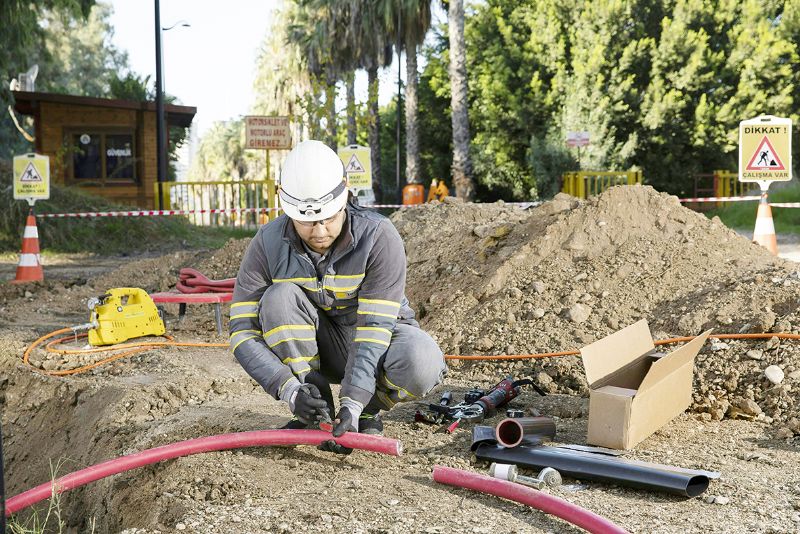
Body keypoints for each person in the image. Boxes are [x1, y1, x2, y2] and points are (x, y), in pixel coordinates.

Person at [229, 140, 446, 448]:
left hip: (378, 344)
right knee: (279, 298)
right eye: (305, 221)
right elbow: (242, 333)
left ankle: (368, 412)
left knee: (423, 360)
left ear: (345, 196)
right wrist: (290, 389)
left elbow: (373, 329)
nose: (318, 232)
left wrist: (355, 402)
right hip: (321, 348)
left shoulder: (378, 237)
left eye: (328, 217)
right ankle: (315, 407)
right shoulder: (267, 243)